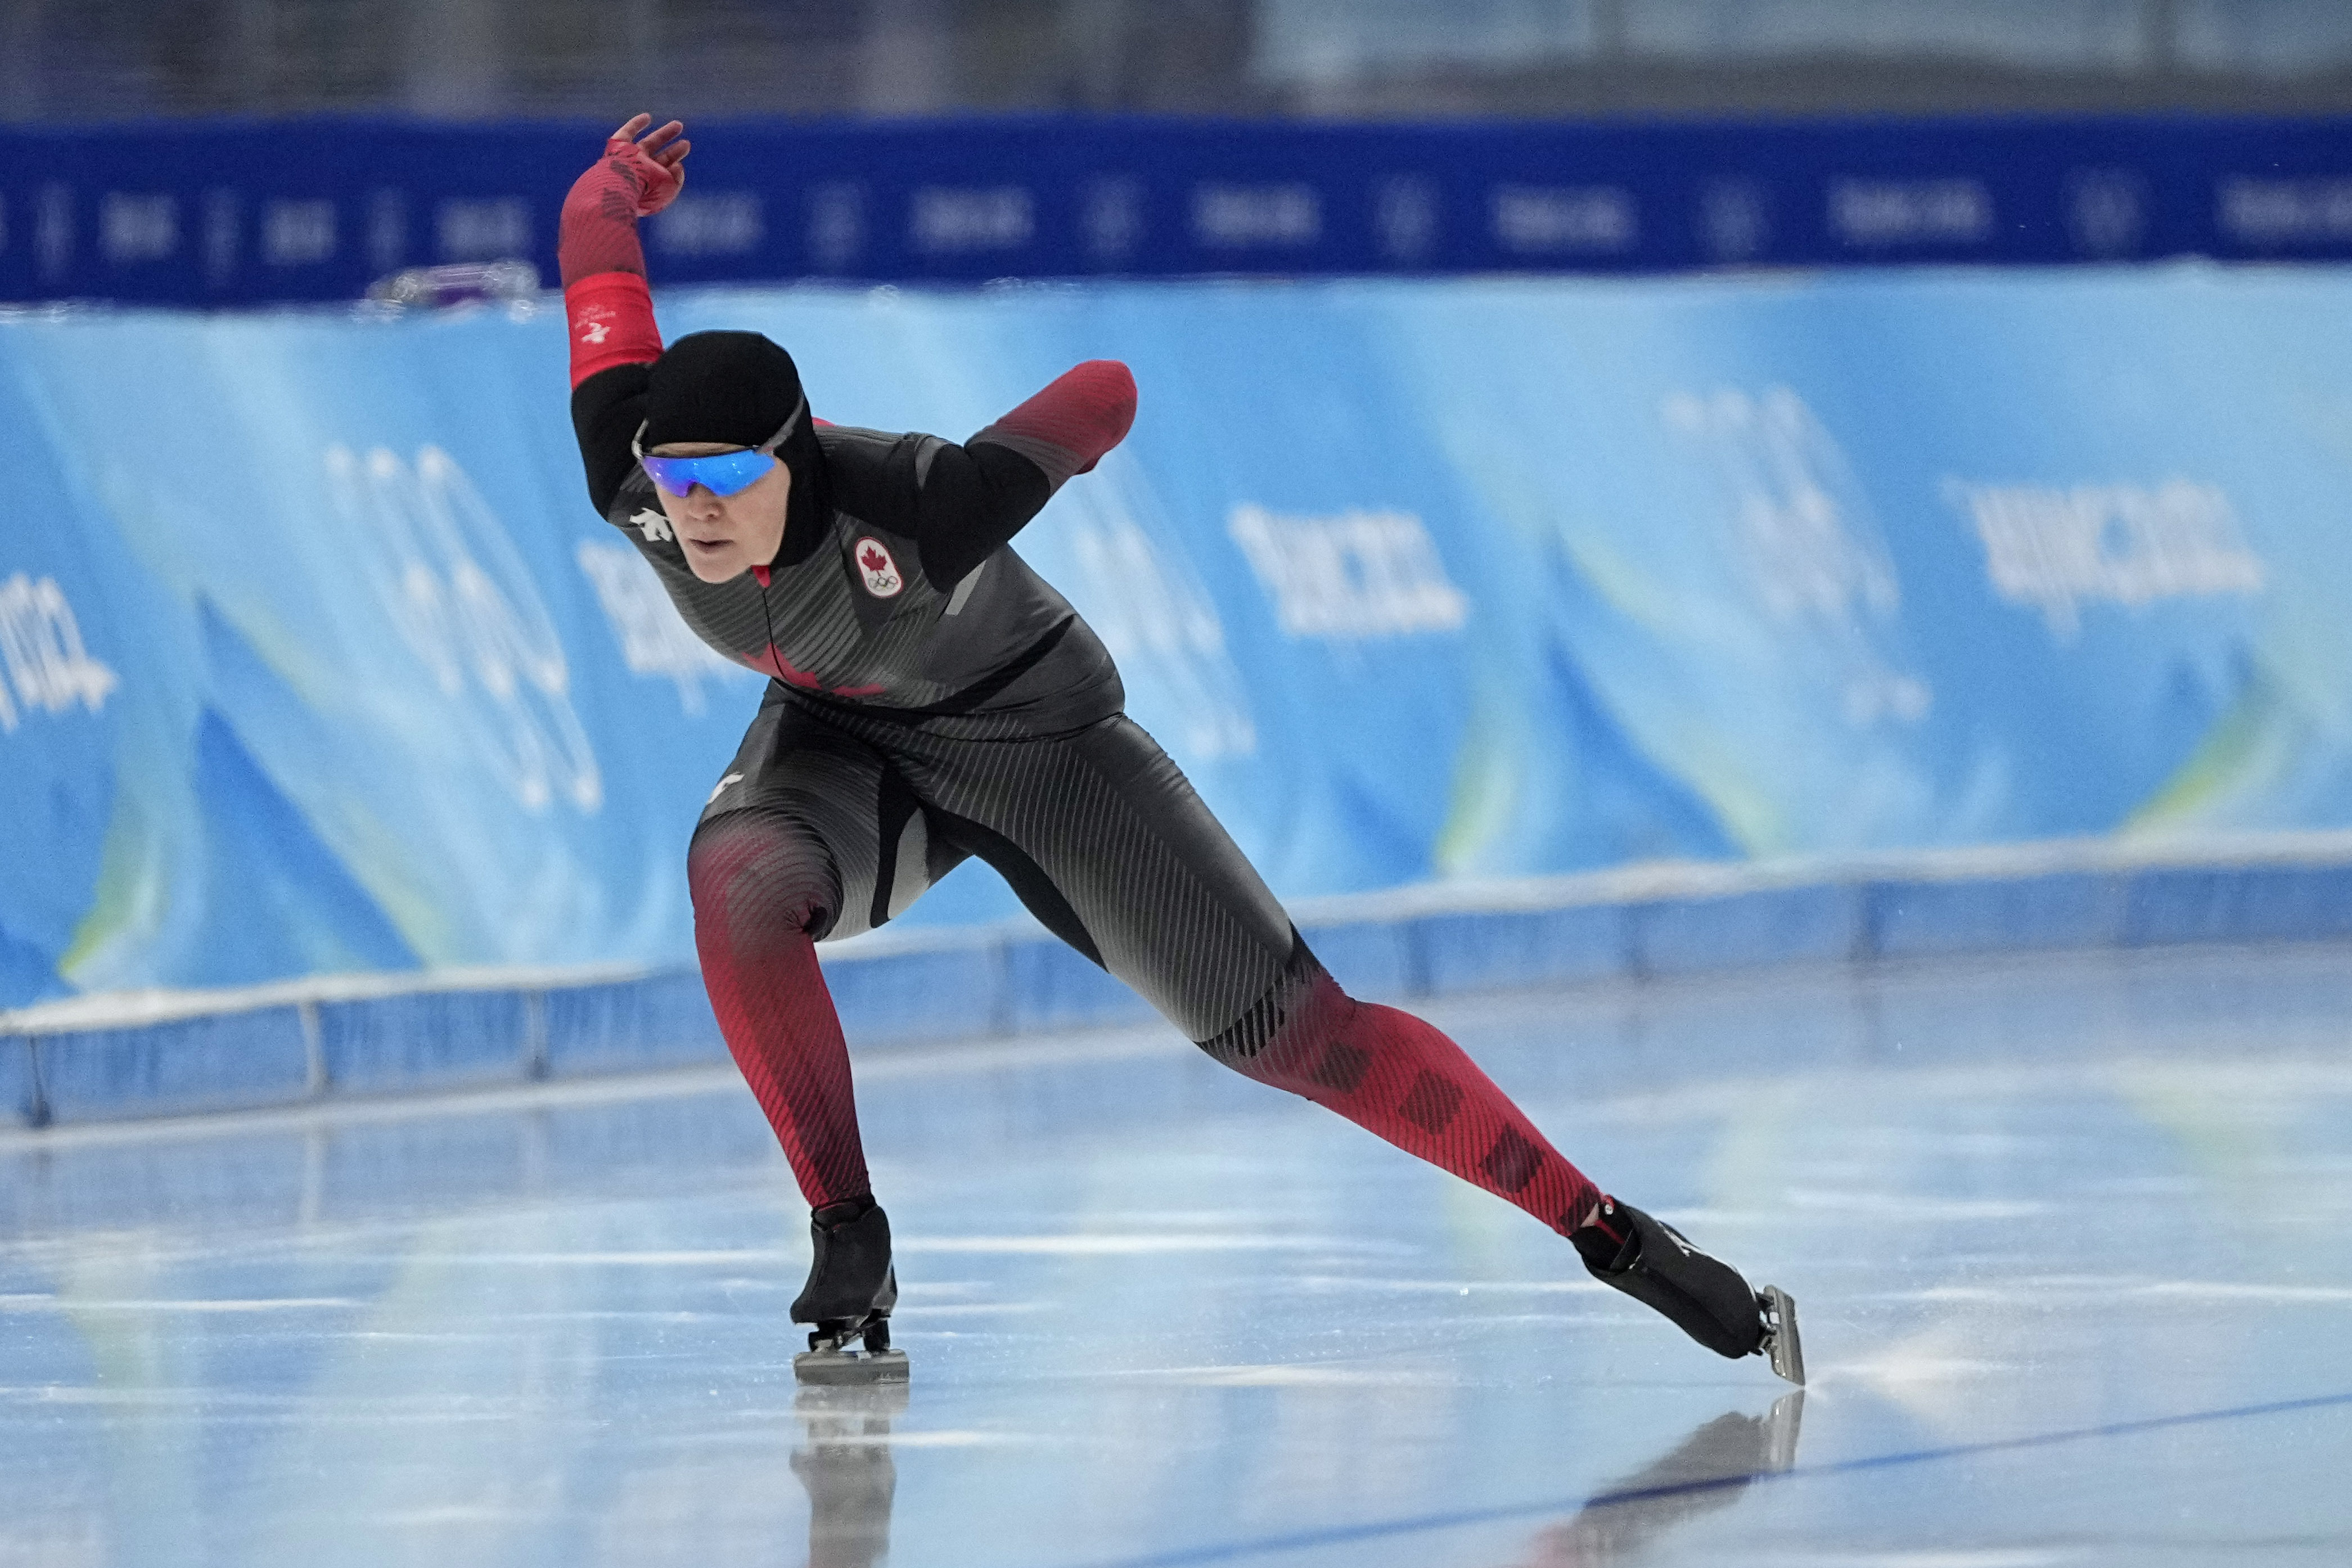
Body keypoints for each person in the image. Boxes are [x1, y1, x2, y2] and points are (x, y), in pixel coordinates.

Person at [558, 116, 1801, 1385]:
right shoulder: (633, 478)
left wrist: (1040, 458)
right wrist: (612, 188)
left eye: (722, 475)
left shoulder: (920, 508)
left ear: (796, 451)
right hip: (840, 735)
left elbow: (1106, 386)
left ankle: (1614, 1233)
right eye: (674, 475)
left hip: (1037, 743)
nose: (690, 507)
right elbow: (598, 266)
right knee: (738, 884)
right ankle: (849, 1232)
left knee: (1304, 1037)